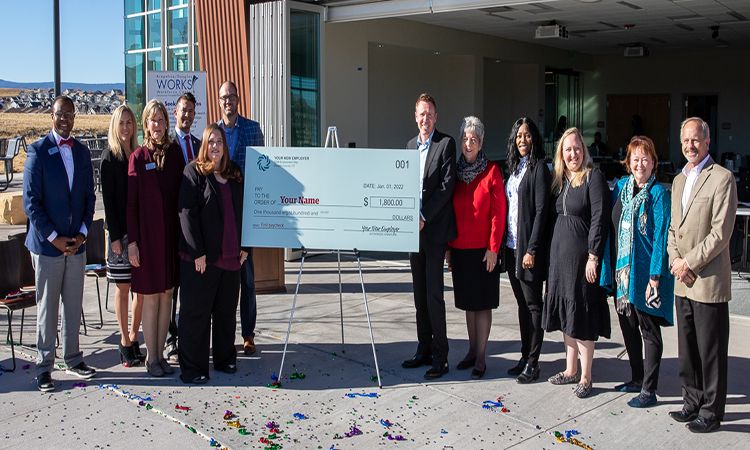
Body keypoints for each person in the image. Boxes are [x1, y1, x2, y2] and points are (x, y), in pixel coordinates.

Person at [667, 117, 736, 433]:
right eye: (685, 141)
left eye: (695, 140)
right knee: (688, 348)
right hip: (682, 280)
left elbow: (721, 233)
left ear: (707, 142)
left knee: (711, 351)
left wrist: (688, 263)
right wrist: (674, 258)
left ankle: (711, 411)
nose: (689, 146)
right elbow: (673, 228)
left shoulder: (722, 178)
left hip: (706, 280)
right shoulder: (679, 179)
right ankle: (691, 402)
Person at [23, 96, 97, 391]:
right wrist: (54, 239)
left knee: (72, 304)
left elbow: (89, 198)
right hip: (47, 247)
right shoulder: (37, 152)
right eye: (59, 114)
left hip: (76, 245)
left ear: (75, 118)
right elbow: (32, 203)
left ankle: (73, 358)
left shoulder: (80, 152)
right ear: (51, 116)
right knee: (48, 307)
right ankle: (44, 366)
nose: (65, 119)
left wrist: (81, 234)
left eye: (69, 114)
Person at [600, 136, 674, 408]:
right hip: (623, 275)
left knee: (649, 330)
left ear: (654, 162)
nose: (640, 164)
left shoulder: (658, 195)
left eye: (645, 159)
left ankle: (649, 389)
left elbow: (661, 239)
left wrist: (655, 276)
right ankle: (635, 377)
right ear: (627, 163)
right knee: (628, 327)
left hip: (646, 276)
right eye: (635, 159)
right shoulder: (620, 187)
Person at [177, 124, 248, 384]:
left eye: (219, 141)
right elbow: (186, 214)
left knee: (226, 313)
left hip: (231, 257)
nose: (215, 146)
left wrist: (246, 247)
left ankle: (225, 358)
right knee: (196, 315)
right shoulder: (193, 172)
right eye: (211, 141)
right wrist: (197, 252)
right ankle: (194, 369)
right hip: (202, 260)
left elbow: (245, 212)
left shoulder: (235, 174)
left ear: (225, 146)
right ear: (204, 145)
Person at [543, 127, 611, 398]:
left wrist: (594, 256)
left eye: (577, 148)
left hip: (583, 261)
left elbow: (599, 219)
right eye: (568, 149)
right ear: (561, 153)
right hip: (559, 262)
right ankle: (570, 370)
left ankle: (586, 376)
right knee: (567, 315)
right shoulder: (558, 181)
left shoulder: (593, 178)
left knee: (581, 316)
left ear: (584, 149)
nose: (573, 153)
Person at [127, 99, 186, 377]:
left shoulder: (175, 154)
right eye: (153, 120)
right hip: (148, 241)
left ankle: (161, 355)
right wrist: (133, 243)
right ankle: (151, 357)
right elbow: (132, 205)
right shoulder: (138, 158)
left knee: (167, 296)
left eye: (162, 120)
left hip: (171, 238)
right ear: (146, 124)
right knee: (150, 297)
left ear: (166, 122)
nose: (158, 125)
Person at [445, 116, 505, 380]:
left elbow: (498, 214)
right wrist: (448, 247)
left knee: (482, 305)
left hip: (484, 252)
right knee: (469, 303)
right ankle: (471, 350)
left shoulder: (492, 171)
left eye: (474, 140)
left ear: (481, 144)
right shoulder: (455, 172)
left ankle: (481, 356)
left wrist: (493, 248)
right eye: (466, 139)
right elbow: (448, 211)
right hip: (459, 249)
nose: (468, 144)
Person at [402, 93, 457, 379]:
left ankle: (441, 356)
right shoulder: (410, 146)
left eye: (430, 114)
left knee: (434, 294)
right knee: (419, 294)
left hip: (434, 232)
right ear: (416, 116)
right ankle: (423, 349)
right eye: (421, 114)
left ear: (436, 117)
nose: (425, 119)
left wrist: (424, 216)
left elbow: (447, 187)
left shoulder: (446, 144)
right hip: (414, 235)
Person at [216, 80, 264, 356]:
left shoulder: (252, 129)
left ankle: (248, 334)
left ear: (238, 100)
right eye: (224, 97)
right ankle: (223, 334)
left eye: (232, 96)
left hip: (246, 215)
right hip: (221, 217)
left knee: (247, 278)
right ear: (219, 101)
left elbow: (262, 170)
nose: (228, 101)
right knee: (222, 278)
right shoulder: (213, 132)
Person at [504, 118, 551, 384]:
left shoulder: (540, 168)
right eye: (518, 136)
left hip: (527, 251)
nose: (523, 140)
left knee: (534, 306)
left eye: (527, 136)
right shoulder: (515, 168)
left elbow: (542, 212)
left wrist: (532, 248)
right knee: (522, 305)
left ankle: (534, 362)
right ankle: (524, 355)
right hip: (511, 248)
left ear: (535, 139)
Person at [101, 104, 145, 367]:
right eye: (121, 123)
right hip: (120, 236)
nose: (126, 127)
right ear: (114, 126)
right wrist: (115, 237)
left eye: (129, 122)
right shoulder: (110, 158)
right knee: (124, 287)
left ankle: (134, 335)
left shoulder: (139, 155)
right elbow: (108, 202)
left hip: (139, 235)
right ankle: (124, 341)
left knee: (140, 289)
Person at [165, 91, 202, 363]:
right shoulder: (165, 146)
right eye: (182, 110)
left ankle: (191, 338)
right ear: (174, 113)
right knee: (171, 289)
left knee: (191, 288)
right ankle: (171, 340)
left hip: (195, 228)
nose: (186, 114)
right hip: (171, 224)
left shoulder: (201, 145)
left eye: (190, 110)